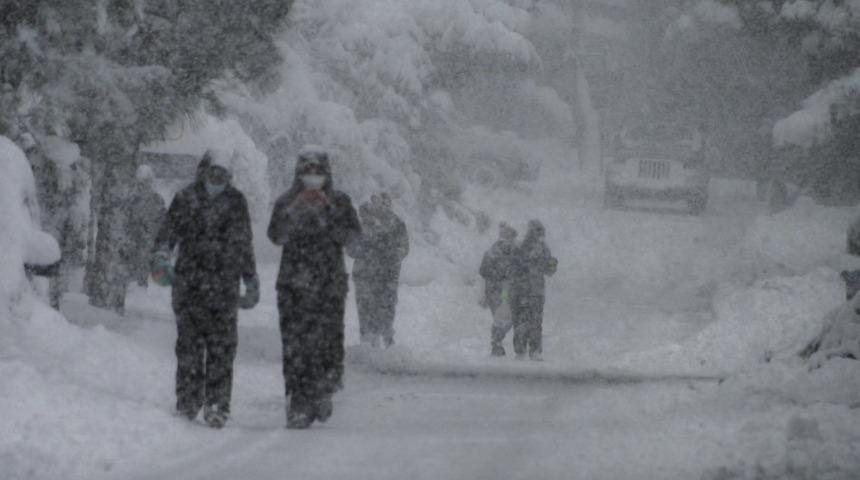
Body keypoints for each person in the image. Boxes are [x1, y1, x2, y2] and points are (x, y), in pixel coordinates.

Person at [152, 150, 259, 429]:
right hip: (189, 287)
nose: (217, 180)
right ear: (203, 172)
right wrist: (162, 257)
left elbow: (244, 244)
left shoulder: (236, 203)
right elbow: (166, 234)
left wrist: (251, 279)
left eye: (223, 175)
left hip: (224, 290)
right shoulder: (185, 198)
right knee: (188, 348)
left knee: (222, 351)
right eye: (213, 174)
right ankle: (187, 402)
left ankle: (217, 406)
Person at [267, 146, 361, 429]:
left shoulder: (341, 201)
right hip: (293, 285)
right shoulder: (286, 201)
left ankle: (323, 390)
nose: (312, 178)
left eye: (317, 172)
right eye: (307, 172)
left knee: (327, 341)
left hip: (328, 285)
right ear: (298, 174)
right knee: (295, 344)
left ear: (326, 173)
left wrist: (327, 212)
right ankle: (298, 400)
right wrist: (297, 210)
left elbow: (354, 240)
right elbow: (276, 235)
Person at [346, 192, 409, 348]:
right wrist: (368, 251)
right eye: (380, 202)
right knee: (366, 308)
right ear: (373, 202)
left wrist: (391, 254)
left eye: (387, 202)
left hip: (388, 275)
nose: (384, 205)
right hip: (365, 275)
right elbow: (350, 248)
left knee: (387, 308)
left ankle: (388, 341)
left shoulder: (397, 224)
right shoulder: (361, 223)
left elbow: (404, 248)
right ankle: (367, 343)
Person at [511, 219, 558, 361]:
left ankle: (531, 350)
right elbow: (513, 268)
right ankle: (524, 350)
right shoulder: (522, 247)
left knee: (533, 322)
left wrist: (552, 264)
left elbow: (549, 271)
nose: (539, 235)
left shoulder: (542, 248)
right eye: (537, 231)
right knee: (525, 321)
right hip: (525, 291)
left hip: (533, 291)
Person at [479, 222, 519, 357]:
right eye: (512, 237)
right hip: (502, 289)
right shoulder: (502, 251)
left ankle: (496, 343)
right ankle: (496, 343)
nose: (513, 240)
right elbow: (484, 271)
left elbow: (483, 272)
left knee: (503, 318)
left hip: (497, 290)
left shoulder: (492, 251)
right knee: (506, 318)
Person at [127, 165, 166, 287]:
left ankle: (141, 288)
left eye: (146, 182)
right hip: (133, 243)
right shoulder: (130, 200)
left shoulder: (158, 200)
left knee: (143, 268)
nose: (143, 186)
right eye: (141, 183)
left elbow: (163, 223)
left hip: (149, 243)